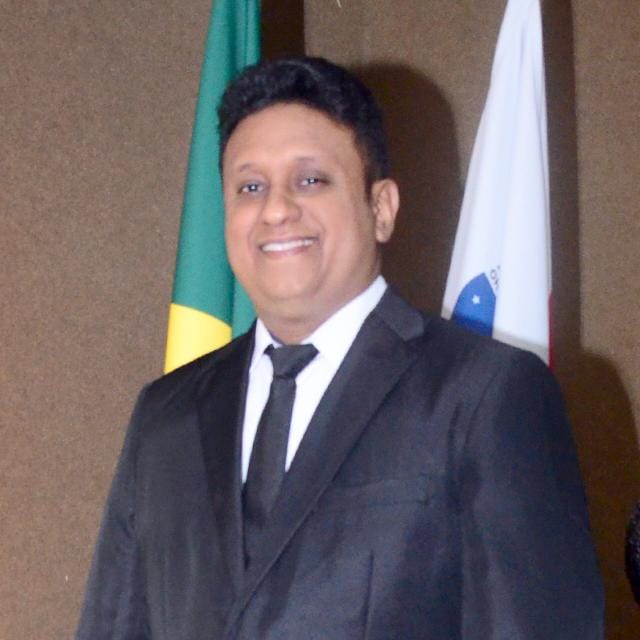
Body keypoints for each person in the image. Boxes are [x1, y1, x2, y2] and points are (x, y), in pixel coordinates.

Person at [76, 56, 604, 639]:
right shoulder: (164, 417)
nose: (276, 209)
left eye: (310, 180)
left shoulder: (483, 394)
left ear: (381, 209)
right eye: (250, 187)